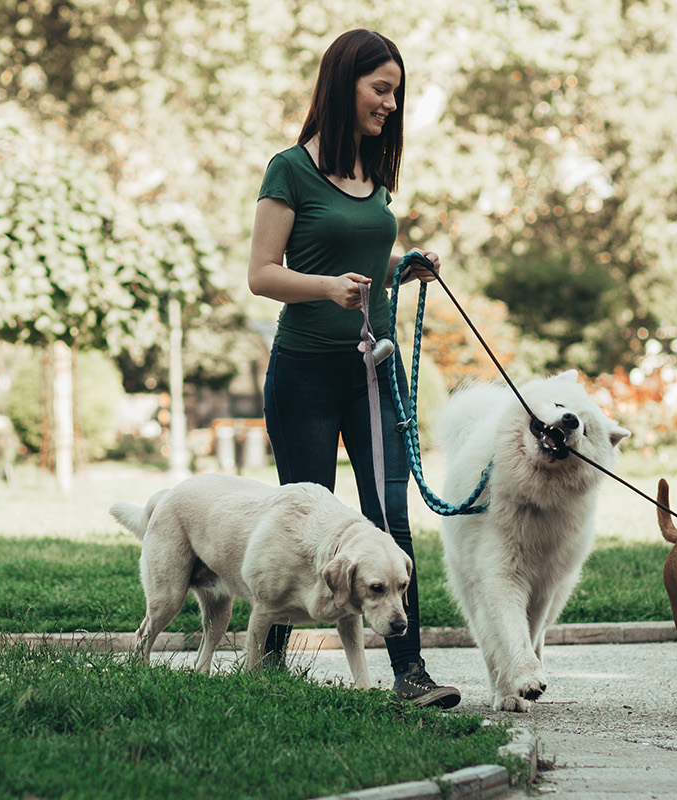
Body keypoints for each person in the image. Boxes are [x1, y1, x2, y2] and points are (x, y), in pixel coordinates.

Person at [245, 29, 460, 709]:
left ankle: (410, 673)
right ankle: (268, 660)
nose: (392, 104)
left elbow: (364, 266)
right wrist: (327, 288)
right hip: (304, 374)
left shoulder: (376, 174)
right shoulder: (290, 170)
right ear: (346, 86)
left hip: (372, 375)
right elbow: (262, 275)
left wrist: (402, 269)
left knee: (388, 516)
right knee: (300, 523)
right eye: (381, 89)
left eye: (396, 91)